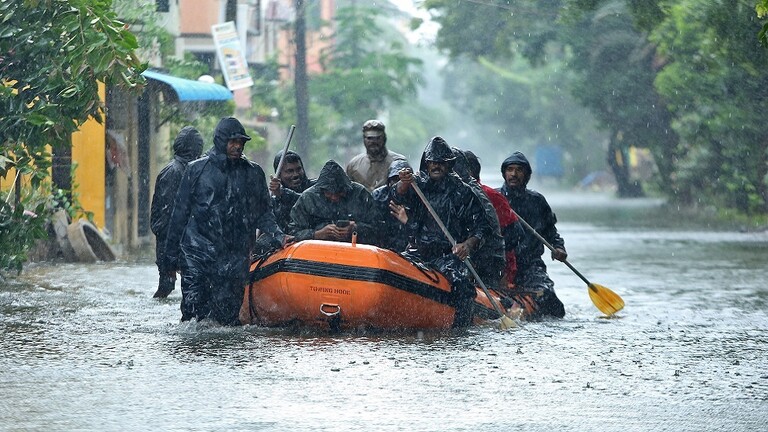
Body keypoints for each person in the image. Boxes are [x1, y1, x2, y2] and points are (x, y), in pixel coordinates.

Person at [162, 117, 290, 325]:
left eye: (241, 142)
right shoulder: (196, 170)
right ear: (220, 141)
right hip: (197, 253)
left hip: (234, 257)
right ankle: (196, 355)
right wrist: (169, 260)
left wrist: (279, 235)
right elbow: (179, 216)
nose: (237, 146)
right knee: (194, 316)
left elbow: (263, 214)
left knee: (227, 319)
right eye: (232, 142)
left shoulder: (253, 173)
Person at [394, 136, 494, 328]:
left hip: (449, 255)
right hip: (419, 251)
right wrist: (403, 183)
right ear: (426, 163)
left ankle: (460, 332)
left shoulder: (462, 192)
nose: (436, 166)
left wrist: (467, 245)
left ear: (449, 165)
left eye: (441, 162)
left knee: (462, 286)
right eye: (432, 162)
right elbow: (393, 195)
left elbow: (482, 227)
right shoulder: (417, 186)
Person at [498, 151, 566, 318]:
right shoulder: (494, 198)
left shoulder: (537, 201)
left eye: (519, 170)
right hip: (499, 265)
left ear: (526, 175)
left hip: (530, 265)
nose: (513, 174)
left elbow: (551, 232)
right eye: (510, 170)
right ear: (504, 173)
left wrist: (558, 247)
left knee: (549, 297)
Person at [149, 126, 203, 298]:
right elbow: (166, 216)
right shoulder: (173, 172)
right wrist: (169, 253)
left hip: (185, 241)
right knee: (166, 287)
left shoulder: (191, 170)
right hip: (171, 242)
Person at [463, 150, 525, 289]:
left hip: (494, 264)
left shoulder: (492, 196)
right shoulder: (448, 195)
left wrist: (483, 253)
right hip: (462, 260)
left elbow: (515, 235)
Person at [288, 159, 377, 243]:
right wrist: (316, 234)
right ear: (321, 190)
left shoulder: (360, 194)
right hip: (316, 252)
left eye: (339, 192)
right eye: (329, 193)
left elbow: (380, 228)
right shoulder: (308, 198)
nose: (334, 197)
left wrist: (356, 228)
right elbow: (292, 233)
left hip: (357, 251)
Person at [345, 120, 407, 191]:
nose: (373, 141)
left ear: (384, 138)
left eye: (377, 138)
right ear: (364, 139)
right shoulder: (353, 165)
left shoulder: (399, 162)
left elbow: (410, 192)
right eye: (369, 138)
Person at [268, 150, 316, 232]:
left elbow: (308, 201)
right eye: (289, 171)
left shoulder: (316, 187)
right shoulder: (274, 202)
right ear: (279, 175)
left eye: (298, 169)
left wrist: (283, 194)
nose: (296, 175)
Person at [371, 159, 412, 252]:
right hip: (384, 247)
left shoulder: (417, 196)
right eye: (396, 180)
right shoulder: (379, 196)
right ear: (389, 182)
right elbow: (372, 226)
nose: (400, 184)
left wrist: (409, 221)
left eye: (403, 180)